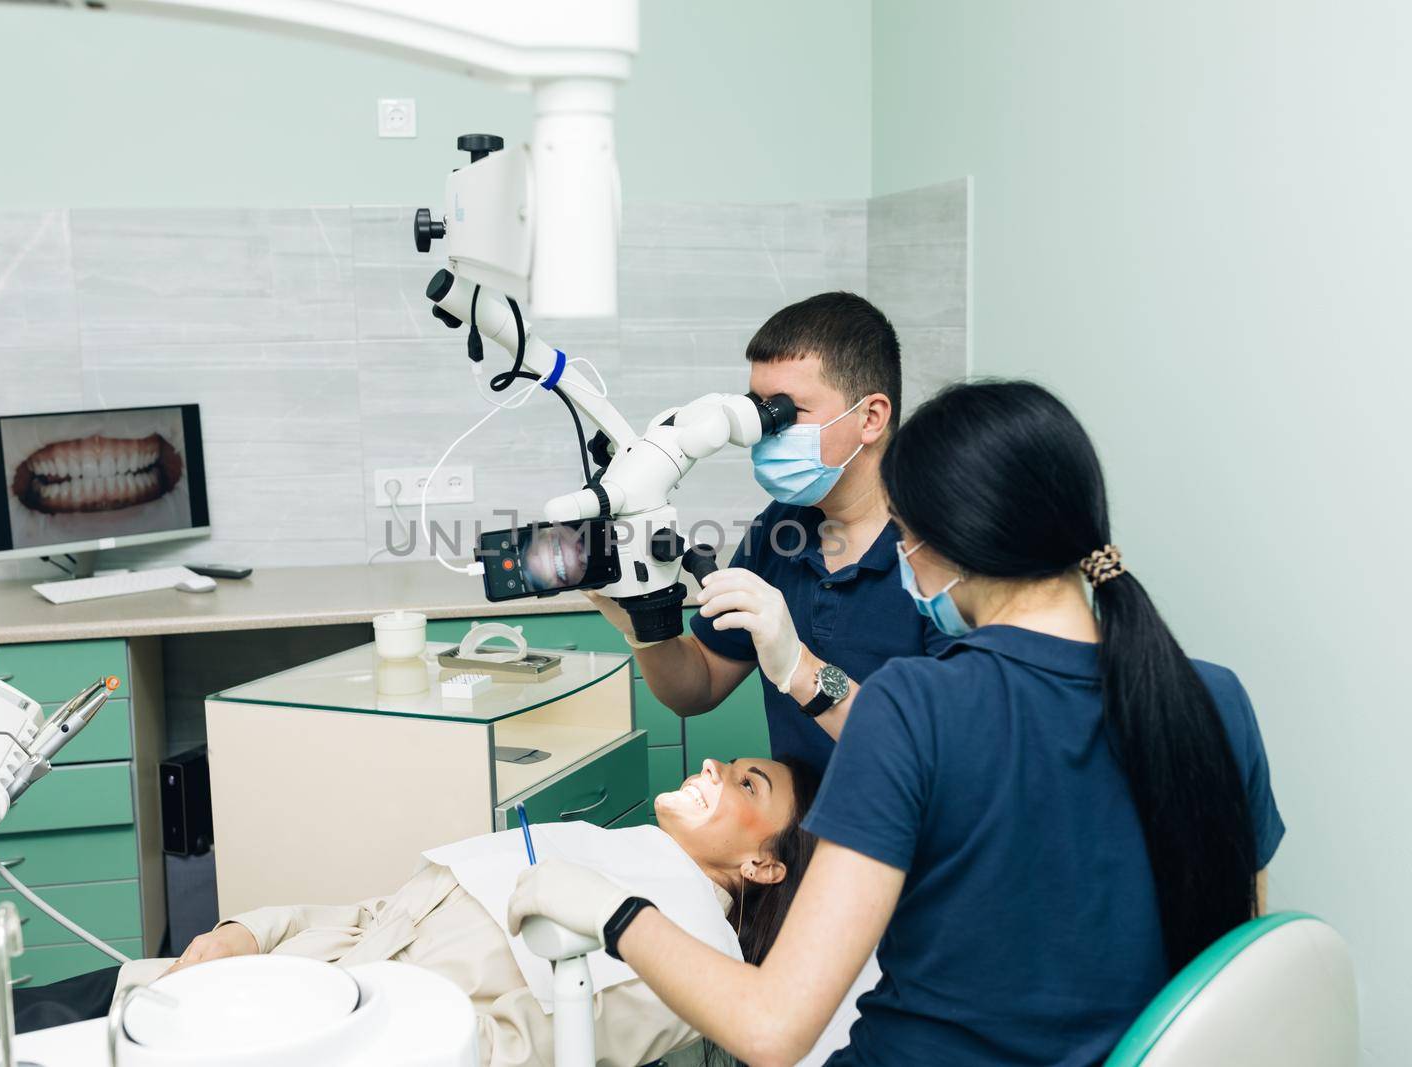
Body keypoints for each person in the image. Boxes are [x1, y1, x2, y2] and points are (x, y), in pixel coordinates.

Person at [510, 380, 1285, 1066]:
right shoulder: (1216, 699)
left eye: (905, 534)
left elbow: (772, 1028)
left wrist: (613, 912)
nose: (905, 558)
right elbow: (1236, 972)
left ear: (946, 540)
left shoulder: (915, 705)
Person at [0, 756, 820, 1067]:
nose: (713, 770)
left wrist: (297, 1014)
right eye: (725, 763)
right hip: (215, 983)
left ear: (763, 863)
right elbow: (369, 915)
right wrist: (249, 930)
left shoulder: (686, 964)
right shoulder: (592, 846)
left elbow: (489, 1052)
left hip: (276, 1039)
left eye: (748, 783)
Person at [589, 292, 951, 772]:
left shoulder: (947, 548)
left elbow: (947, 751)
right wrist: (641, 628)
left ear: (870, 417)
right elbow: (697, 688)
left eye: (786, 412)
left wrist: (800, 666)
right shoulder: (784, 526)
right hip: (802, 839)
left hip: (912, 841)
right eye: (759, 409)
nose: (764, 431)